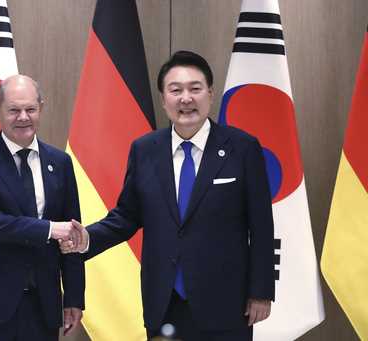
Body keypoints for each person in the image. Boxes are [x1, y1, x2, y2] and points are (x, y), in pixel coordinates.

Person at [63, 51, 275, 340]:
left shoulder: (243, 148)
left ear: (210, 94)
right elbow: (127, 216)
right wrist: (87, 238)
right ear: (163, 99)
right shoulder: (145, 150)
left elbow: (261, 226)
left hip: (226, 303)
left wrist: (261, 292)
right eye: (175, 90)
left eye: (195, 88)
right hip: (164, 302)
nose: (185, 98)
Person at [0, 74, 85, 341]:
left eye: (30, 109)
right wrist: (49, 229)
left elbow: (72, 236)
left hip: (43, 305)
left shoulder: (60, 163)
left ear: (41, 109)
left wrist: (73, 298)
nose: (23, 117)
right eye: (14, 110)